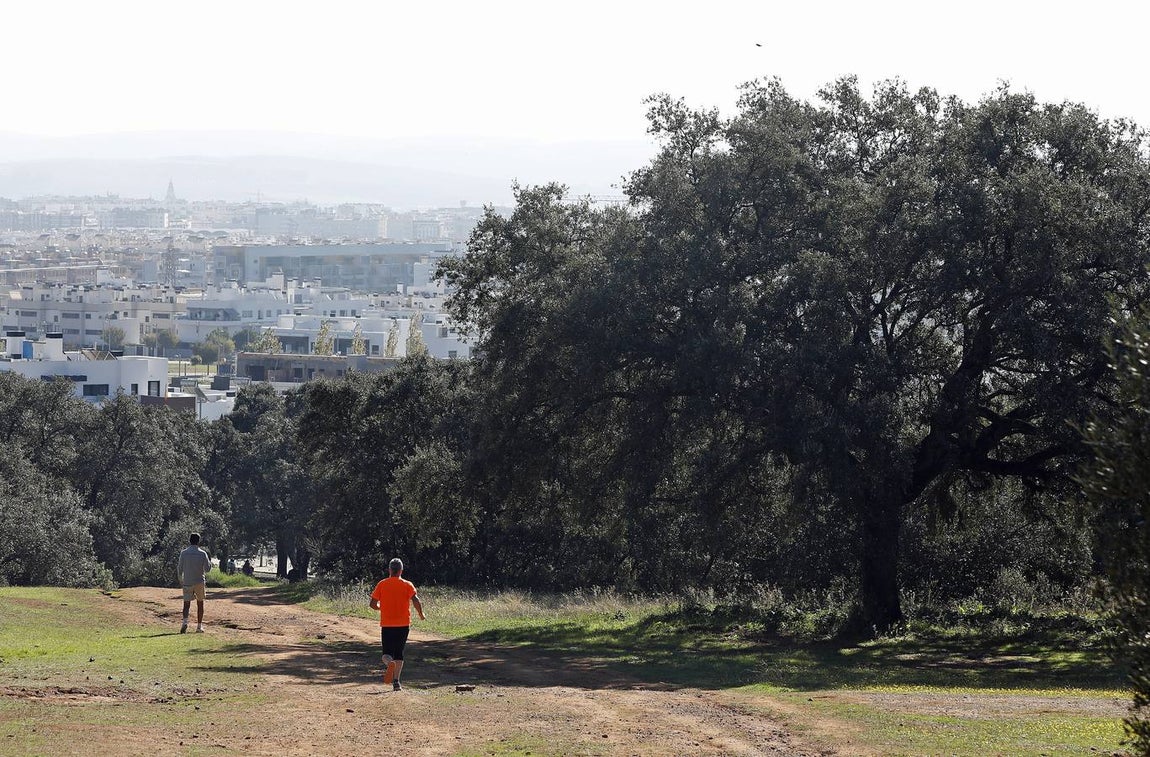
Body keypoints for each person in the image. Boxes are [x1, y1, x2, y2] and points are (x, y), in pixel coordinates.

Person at [369, 557, 425, 691]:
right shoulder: (407, 584)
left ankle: (390, 663)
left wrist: (380, 607)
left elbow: (372, 604)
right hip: (403, 625)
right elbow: (416, 600)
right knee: (399, 653)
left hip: (387, 625)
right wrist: (421, 614)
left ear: (389, 570)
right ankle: (396, 682)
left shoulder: (382, 584)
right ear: (401, 571)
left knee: (386, 654)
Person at [177, 533, 212, 633]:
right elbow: (207, 569)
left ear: (190, 540)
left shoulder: (184, 553)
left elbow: (180, 568)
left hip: (187, 581)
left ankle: (185, 622)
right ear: (198, 541)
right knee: (200, 603)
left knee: (186, 604)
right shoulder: (202, 553)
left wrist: (181, 580)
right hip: (199, 581)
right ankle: (199, 626)